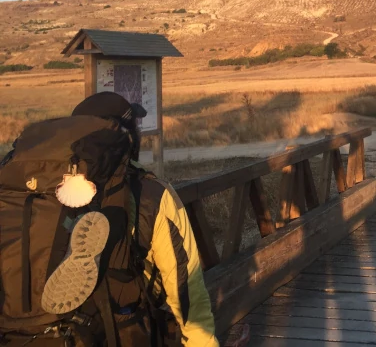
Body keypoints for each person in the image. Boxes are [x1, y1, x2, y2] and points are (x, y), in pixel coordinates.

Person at [0, 92, 218, 347]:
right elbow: (186, 288)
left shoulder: (27, 189)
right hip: (114, 332)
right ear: (127, 136)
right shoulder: (149, 193)